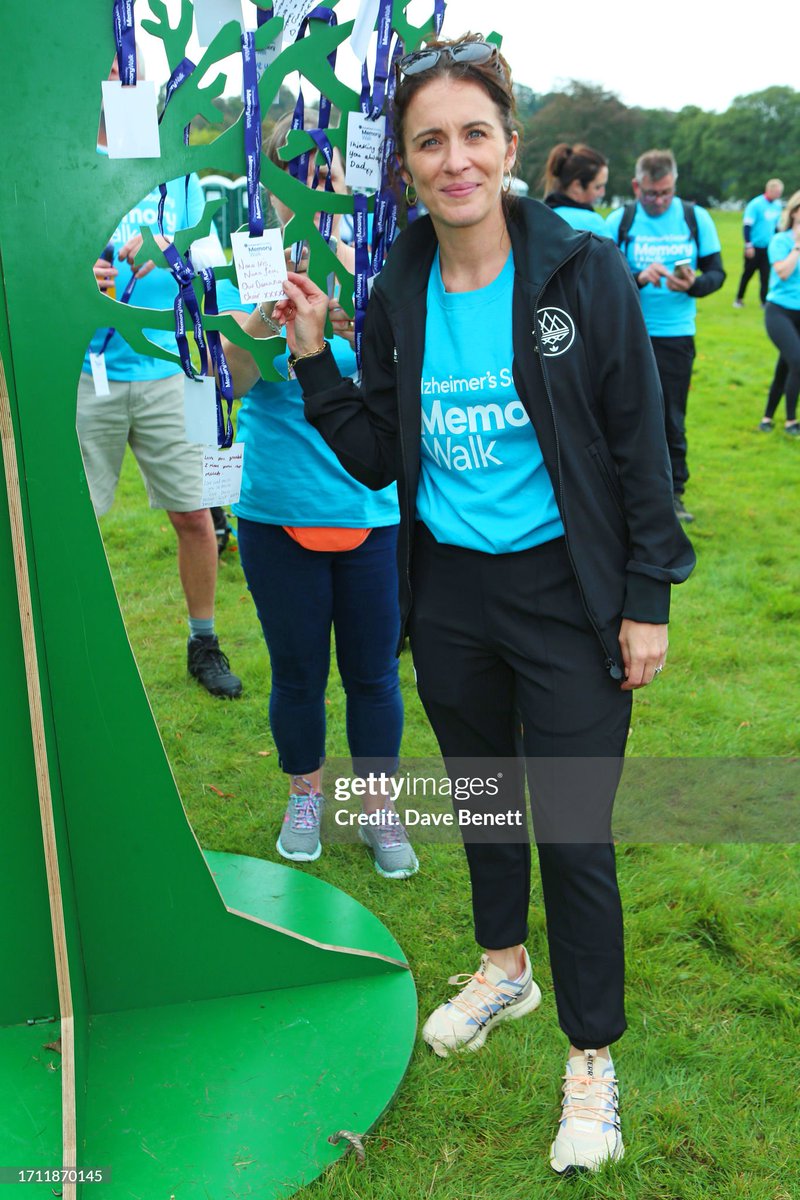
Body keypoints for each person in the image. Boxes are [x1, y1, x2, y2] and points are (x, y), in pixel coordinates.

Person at [265, 35, 695, 1173]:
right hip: (450, 595)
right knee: (487, 801)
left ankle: (590, 1060)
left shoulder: (581, 270)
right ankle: (502, 967)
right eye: (427, 142)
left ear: (507, 144)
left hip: (568, 594)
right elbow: (375, 459)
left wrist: (643, 598)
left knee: (570, 830)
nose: (451, 160)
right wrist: (314, 358)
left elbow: (637, 446)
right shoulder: (396, 283)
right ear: (403, 165)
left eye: (470, 136)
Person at [217, 114, 417, 877]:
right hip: (277, 514)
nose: (306, 194)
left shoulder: (376, 271)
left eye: (321, 177)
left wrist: (352, 303)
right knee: (296, 670)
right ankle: (305, 795)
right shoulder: (248, 277)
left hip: (371, 513)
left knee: (373, 673)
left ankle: (378, 807)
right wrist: (255, 324)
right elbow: (230, 387)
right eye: (285, 179)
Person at [78, 54, 242, 698]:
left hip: (164, 368)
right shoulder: (68, 162)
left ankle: (204, 642)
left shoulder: (175, 174)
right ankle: (74, 641)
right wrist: (76, 279)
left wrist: (171, 258)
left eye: (135, 72)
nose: (129, 83)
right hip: (83, 372)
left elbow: (204, 266)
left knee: (195, 516)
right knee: (71, 521)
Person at [605, 149, 726, 523]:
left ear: (675, 186)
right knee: (622, 415)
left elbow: (716, 274)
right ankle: (619, 493)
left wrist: (693, 285)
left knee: (671, 417)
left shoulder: (695, 217)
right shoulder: (618, 221)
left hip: (675, 335)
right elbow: (600, 283)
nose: (658, 201)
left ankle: (673, 495)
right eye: (650, 193)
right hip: (628, 335)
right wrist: (639, 276)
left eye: (665, 193)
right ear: (635, 186)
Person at [761, 189, 800, 436]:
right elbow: (783, 273)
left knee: (786, 365)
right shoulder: (780, 241)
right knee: (798, 360)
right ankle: (790, 421)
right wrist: (797, 246)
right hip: (779, 312)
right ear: (795, 212)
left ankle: (766, 418)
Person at [734, 178, 784, 309]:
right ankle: (739, 299)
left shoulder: (777, 206)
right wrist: (748, 245)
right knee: (748, 274)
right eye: (777, 192)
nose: (779, 195)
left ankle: (764, 302)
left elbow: (777, 227)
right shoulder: (755, 204)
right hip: (754, 247)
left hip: (768, 247)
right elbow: (747, 226)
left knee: (765, 275)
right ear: (769, 190)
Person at [542, 142, 609, 235]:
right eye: (597, 187)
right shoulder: (593, 224)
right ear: (577, 186)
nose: (603, 193)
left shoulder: (537, 217)